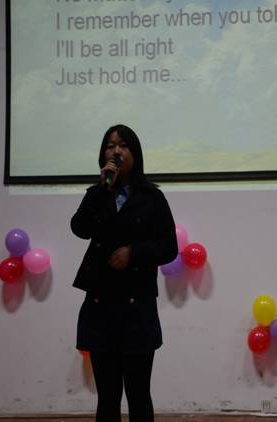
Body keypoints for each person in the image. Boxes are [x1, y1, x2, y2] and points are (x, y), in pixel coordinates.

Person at [71, 124, 178, 422]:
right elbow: (79, 228)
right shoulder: (97, 193)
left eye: (123, 145)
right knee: (107, 397)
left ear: (135, 153)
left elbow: (169, 247)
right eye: (110, 145)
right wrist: (101, 188)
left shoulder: (152, 197)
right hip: (100, 306)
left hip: (136, 308)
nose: (116, 151)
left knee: (138, 395)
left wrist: (134, 252)